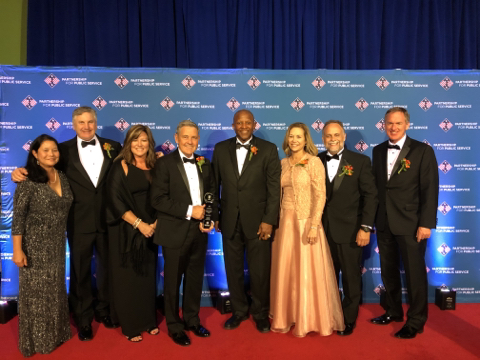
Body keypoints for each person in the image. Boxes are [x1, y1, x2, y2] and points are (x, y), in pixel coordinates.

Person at [12, 106, 122, 341]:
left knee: (107, 270)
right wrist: (18, 172)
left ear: (96, 122)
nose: (86, 126)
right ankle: (83, 318)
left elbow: (128, 172)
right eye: (81, 122)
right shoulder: (62, 150)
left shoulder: (114, 147)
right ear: (73, 125)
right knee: (80, 271)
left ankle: (104, 311)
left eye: (90, 122)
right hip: (77, 221)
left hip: (109, 220)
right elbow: (42, 170)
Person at [269, 123, 344, 337]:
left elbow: (320, 195)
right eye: (291, 136)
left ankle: (309, 317)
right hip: (284, 224)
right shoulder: (282, 163)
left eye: (298, 137)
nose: (294, 140)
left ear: (305, 139)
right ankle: (288, 314)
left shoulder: (314, 162)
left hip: (305, 223)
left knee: (306, 271)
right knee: (287, 271)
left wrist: (314, 225)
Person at [371, 107, 439, 339]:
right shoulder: (378, 151)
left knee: (415, 274)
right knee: (388, 272)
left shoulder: (422, 151)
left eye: (398, 123)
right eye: (389, 123)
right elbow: (379, 189)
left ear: (407, 125)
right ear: (384, 125)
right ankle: (393, 311)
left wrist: (426, 223)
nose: (393, 127)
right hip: (384, 221)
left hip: (411, 223)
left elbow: (430, 190)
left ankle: (416, 320)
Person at [212, 109, 281, 333]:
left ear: (254, 125)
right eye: (239, 122)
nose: (243, 126)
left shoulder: (268, 150)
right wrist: (215, 216)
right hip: (229, 221)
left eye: (247, 122)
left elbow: (274, 190)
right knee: (233, 270)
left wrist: (269, 220)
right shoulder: (221, 149)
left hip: (259, 222)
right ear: (233, 125)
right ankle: (239, 311)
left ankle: (261, 314)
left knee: (260, 271)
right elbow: (213, 185)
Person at [151, 120, 217, 346]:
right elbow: (158, 199)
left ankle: (191, 319)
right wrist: (191, 211)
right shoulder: (164, 164)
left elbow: (211, 195)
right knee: (171, 282)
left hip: (200, 232)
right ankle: (174, 325)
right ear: (176, 138)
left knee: (195, 279)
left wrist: (209, 219)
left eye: (194, 137)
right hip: (174, 231)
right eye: (185, 137)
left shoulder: (204, 163)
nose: (190, 141)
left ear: (198, 139)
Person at [12, 134, 73, 356]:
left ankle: (57, 334)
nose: (51, 154)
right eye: (45, 150)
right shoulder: (27, 180)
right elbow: (18, 217)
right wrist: (17, 250)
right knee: (37, 296)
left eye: (54, 150)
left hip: (57, 245)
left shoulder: (62, 176)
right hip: (33, 247)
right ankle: (37, 342)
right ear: (35, 154)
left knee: (54, 291)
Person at [318, 120, 378, 336]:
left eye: (336, 135)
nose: (332, 139)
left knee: (351, 278)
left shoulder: (360, 161)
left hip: (352, 230)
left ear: (343, 137)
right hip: (322, 232)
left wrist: (365, 227)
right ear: (322, 138)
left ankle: (348, 319)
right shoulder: (315, 160)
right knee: (326, 277)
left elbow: (370, 196)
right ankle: (329, 315)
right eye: (328, 136)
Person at [106, 125, 160, 342]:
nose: (140, 144)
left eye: (144, 140)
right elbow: (114, 201)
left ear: (150, 143)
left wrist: (155, 223)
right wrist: (140, 224)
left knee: (146, 278)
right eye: (135, 140)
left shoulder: (157, 165)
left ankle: (148, 320)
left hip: (152, 231)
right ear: (128, 142)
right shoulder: (121, 166)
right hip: (126, 232)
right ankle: (130, 325)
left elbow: (164, 194)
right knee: (127, 279)